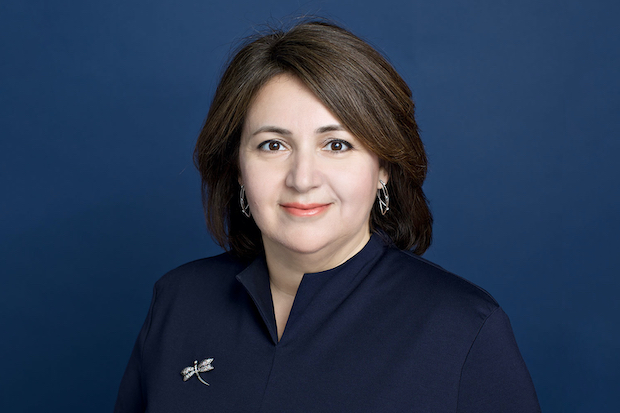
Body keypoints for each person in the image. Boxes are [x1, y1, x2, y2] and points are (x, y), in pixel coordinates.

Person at [114, 20, 541, 412]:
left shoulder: (463, 329)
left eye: (337, 145)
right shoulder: (179, 300)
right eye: (273, 145)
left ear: (383, 168)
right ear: (238, 168)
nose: (303, 179)